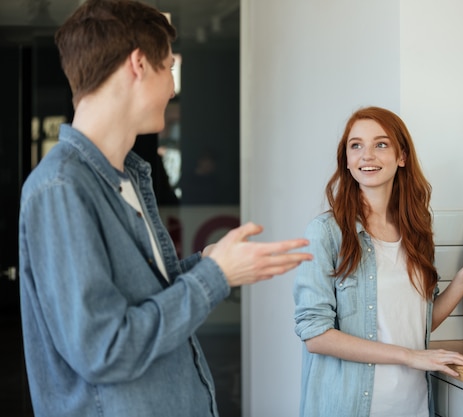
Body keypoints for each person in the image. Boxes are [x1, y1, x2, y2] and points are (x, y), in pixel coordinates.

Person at [18, 1, 312, 416]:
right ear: (138, 65)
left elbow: (140, 302)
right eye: (168, 68)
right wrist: (215, 277)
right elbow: (106, 349)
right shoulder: (61, 188)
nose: (172, 88)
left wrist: (206, 264)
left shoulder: (127, 177)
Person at [293, 106, 463, 417]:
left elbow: (419, 323)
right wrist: (409, 356)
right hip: (353, 407)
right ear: (346, 159)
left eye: (380, 144)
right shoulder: (326, 233)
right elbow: (315, 336)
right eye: (356, 145)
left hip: (413, 405)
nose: (366, 155)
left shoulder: (416, 230)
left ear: (401, 156)